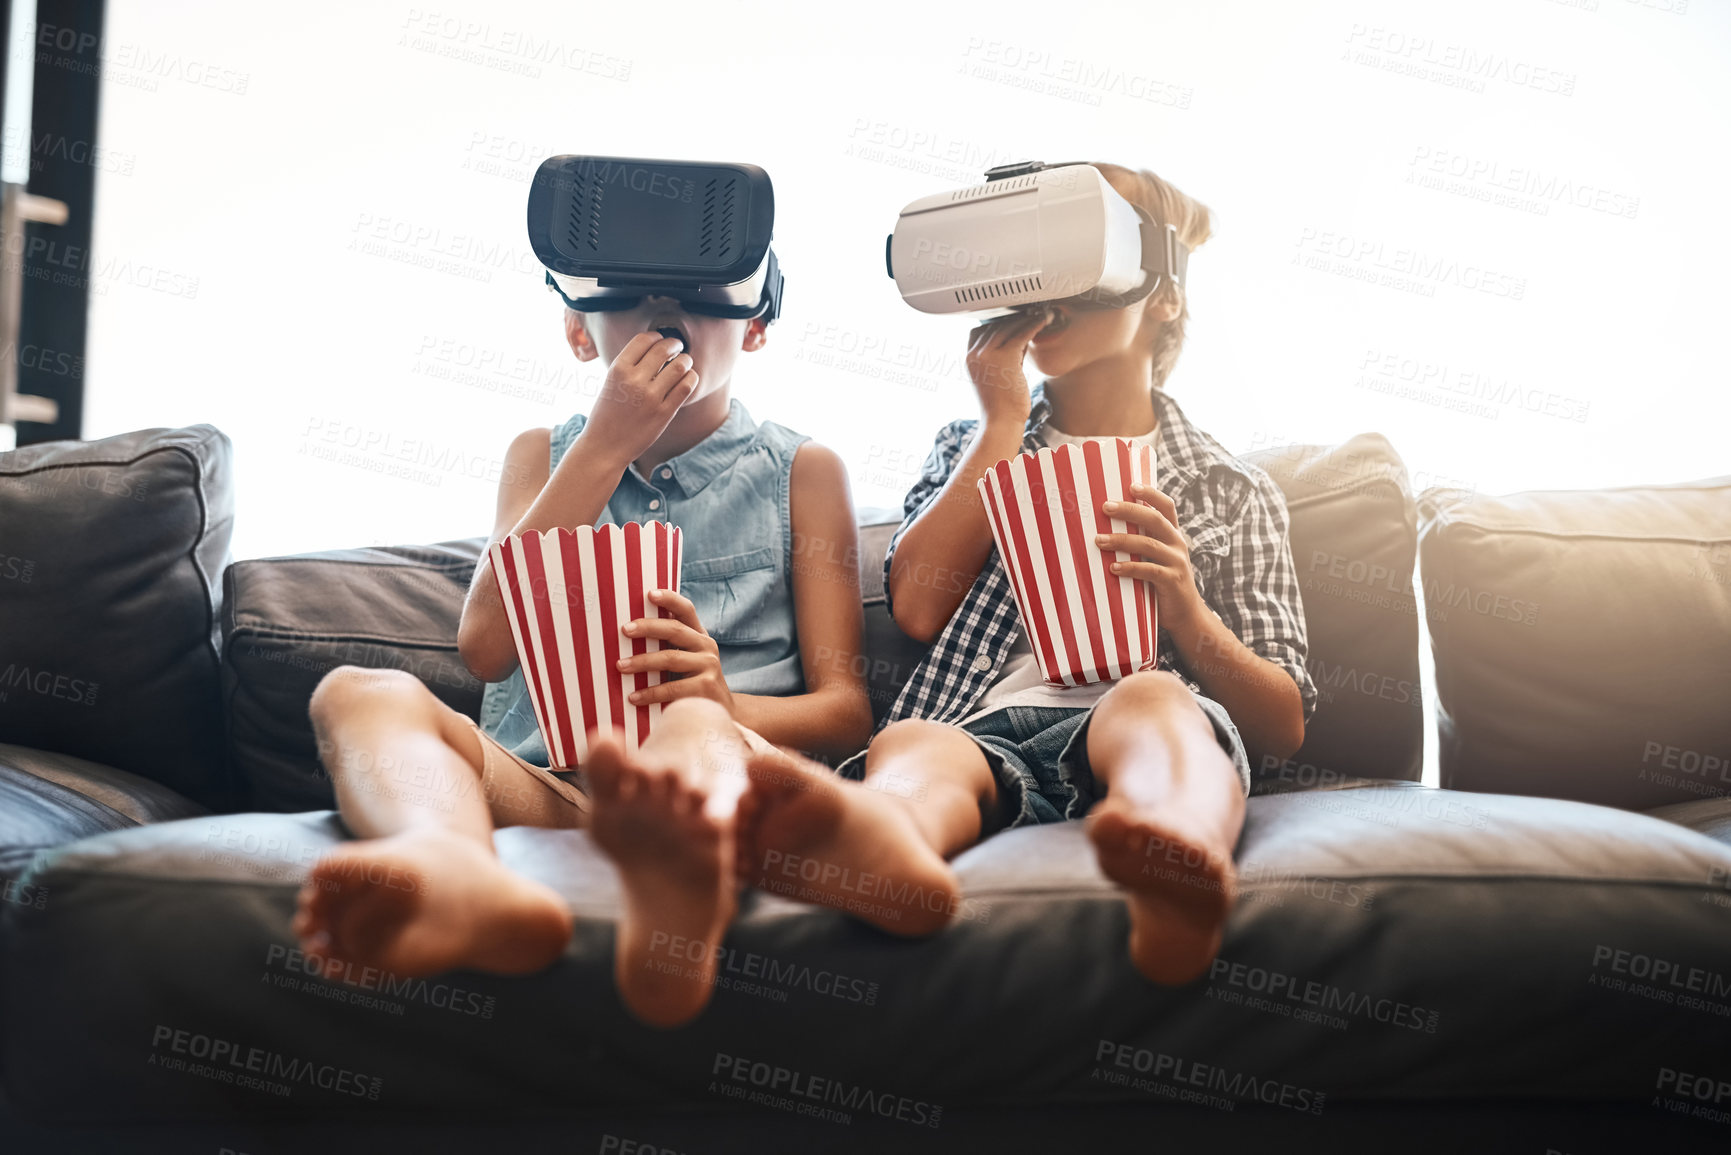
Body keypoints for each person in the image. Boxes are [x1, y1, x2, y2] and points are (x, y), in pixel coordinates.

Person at [734, 161, 1317, 984]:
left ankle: (1176, 847)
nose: (1051, 295)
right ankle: (887, 853)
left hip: (1135, 711)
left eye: (1084, 269)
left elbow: (1283, 721)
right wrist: (1001, 418)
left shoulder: (1230, 490)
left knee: (1152, 697)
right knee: (914, 742)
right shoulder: (970, 446)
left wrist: (1184, 606)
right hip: (980, 724)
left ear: (1164, 295)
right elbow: (916, 609)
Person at [291, 243, 873, 1028]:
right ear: (577, 330)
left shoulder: (802, 471)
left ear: (757, 327)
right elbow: (486, 646)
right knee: (358, 692)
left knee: (691, 720)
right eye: (632, 298)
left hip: (716, 773)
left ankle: (685, 870)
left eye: (701, 296)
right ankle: (451, 863)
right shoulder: (542, 454)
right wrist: (606, 443)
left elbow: (845, 714)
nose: (665, 319)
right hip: (550, 788)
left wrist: (725, 701)